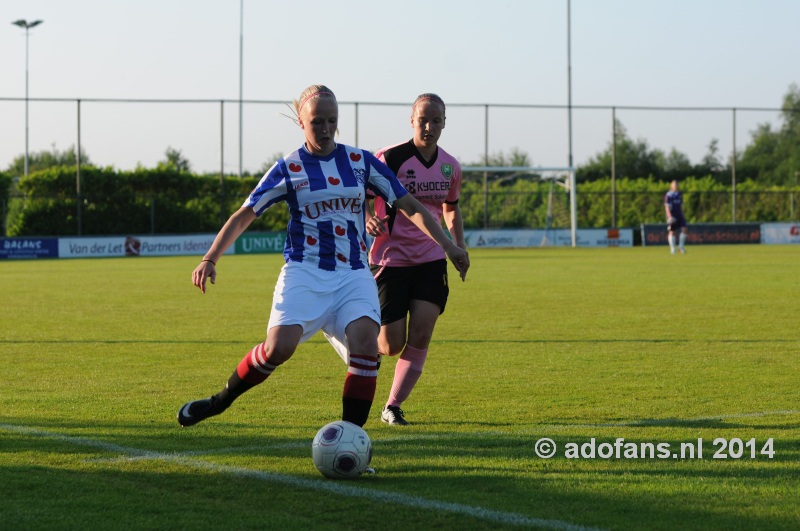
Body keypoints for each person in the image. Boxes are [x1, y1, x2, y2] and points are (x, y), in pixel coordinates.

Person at [177, 85, 469, 429]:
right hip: (305, 273)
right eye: (317, 122)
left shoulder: (360, 162)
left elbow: (408, 205)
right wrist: (210, 258)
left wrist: (449, 245)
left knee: (365, 347)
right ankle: (219, 401)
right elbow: (244, 214)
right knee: (278, 349)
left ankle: (351, 439)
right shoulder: (289, 168)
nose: (326, 129)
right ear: (301, 122)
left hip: (354, 273)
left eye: (332, 120)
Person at [364, 93, 467, 426]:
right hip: (390, 260)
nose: (429, 126)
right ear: (412, 120)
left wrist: (458, 246)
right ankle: (361, 350)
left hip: (432, 258)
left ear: (444, 123)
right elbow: (362, 195)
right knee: (391, 345)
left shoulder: (450, 165)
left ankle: (393, 406)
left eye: (436, 120)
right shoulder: (390, 158)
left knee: (422, 333)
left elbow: (450, 208)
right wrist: (368, 217)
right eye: (423, 119)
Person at [665, 179, 688, 254]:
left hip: (679, 214)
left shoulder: (679, 194)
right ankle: (672, 249)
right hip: (672, 215)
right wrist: (669, 216)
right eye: (674, 185)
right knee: (672, 232)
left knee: (684, 229)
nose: (676, 186)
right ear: (671, 186)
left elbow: (680, 205)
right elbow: (667, 206)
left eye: (677, 185)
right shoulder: (669, 195)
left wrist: (682, 214)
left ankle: (680, 247)